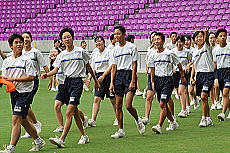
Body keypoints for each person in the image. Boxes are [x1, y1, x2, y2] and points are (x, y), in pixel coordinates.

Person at [42, 27, 100, 147]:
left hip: (77, 83)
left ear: (73, 38)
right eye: (64, 38)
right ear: (62, 40)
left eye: (68, 37)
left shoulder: (80, 51)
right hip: (66, 83)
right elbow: (56, 70)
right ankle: (84, 135)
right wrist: (47, 74)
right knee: (74, 112)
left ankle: (62, 139)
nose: (67, 39)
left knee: (69, 111)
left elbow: (88, 66)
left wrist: (94, 80)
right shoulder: (61, 55)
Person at [0, 34, 45, 152]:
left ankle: (11, 147)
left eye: (20, 42)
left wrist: (13, 80)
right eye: (16, 42)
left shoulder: (27, 60)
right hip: (14, 92)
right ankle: (38, 141)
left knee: (16, 118)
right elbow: (6, 77)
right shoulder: (7, 61)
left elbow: (31, 77)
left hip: (25, 92)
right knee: (23, 120)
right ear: (10, 46)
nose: (19, 44)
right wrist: (2, 81)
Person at [13, 31, 51, 139]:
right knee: (26, 105)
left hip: (32, 80)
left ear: (31, 39)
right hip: (21, 81)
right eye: (23, 37)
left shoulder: (36, 52)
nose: (25, 39)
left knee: (25, 105)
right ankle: (34, 124)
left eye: (27, 37)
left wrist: (50, 78)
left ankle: (33, 125)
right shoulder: (20, 52)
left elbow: (44, 65)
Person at [110, 26, 145, 139]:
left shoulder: (131, 47)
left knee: (128, 105)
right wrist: (111, 83)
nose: (116, 36)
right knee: (118, 105)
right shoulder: (114, 49)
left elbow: (135, 65)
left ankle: (138, 120)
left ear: (124, 34)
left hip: (129, 75)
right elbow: (113, 67)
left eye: (118, 33)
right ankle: (120, 130)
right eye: (115, 34)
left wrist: (133, 80)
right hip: (118, 76)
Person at [148, 32, 184, 134]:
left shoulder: (169, 53)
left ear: (163, 41)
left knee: (162, 103)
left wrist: (182, 77)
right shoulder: (152, 54)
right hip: (157, 80)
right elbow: (152, 69)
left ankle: (159, 125)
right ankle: (173, 122)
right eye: (154, 39)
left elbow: (179, 65)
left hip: (168, 80)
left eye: (158, 39)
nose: (156, 41)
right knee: (163, 104)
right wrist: (153, 82)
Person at [88, 36, 117, 127]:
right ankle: (93, 120)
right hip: (98, 77)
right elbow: (92, 68)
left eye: (100, 41)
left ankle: (117, 117)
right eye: (96, 42)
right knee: (96, 98)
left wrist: (104, 75)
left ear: (104, 42)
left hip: (108, 76)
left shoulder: (109, 51)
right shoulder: (95, 53)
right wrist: (89, 78)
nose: (98, 43)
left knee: (112, 99)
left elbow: (111, 65)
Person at [52, 66, 89, 132]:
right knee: (57, 106)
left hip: (70, 86)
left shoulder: (68, 59)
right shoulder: (58, 61)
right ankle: (61, 126)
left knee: (73, 108)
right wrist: (52, 81)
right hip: (61, 87)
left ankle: (84, 119)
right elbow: (55, 72)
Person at [190, 28, 214, 127]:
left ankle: (203, 118)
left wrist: (206, 34)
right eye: (197, 37)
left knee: (204, 96)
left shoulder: (206, 47)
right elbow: (195, 65)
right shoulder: (194, 52)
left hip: (208, 74)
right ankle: (208, 118)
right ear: (194, 40)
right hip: (199, 75)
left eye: (201, 36)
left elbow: (207, 40)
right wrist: (192, 77)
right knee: (203, 98)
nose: (199, 38)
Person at [172, 36, 192, 118]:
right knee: (179, 92)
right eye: (177, 42)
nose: (178, 44)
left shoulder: (187, 52)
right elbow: (170, 61)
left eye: (180, 42)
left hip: (183, 73)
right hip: (175, 73)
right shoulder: (172, 52)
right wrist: (172, 68)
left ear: (183, 43)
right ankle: (186, 106)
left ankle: (183, 110)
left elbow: (191, 61)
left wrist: (188, 65)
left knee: (181, 91)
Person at [213, 29, 230, 121]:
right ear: (217, 38)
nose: (223, 37)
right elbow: (214, 64)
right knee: (225, 95)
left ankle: (223, 113)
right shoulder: (215, 50)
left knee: (225, 92)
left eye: (224, 36)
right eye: (221, 36)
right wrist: (214, 77)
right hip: (220, 72)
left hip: (228, 71)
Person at [142, 31, 156, 125]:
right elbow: (148, 61)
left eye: (155, 37)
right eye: (152, 38)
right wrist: (147, 69)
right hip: (152, 75)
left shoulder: (165, 50)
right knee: (149, 96)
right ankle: (146, 117)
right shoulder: (150, 50)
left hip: (162, 76)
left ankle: (172, 118)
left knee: (164, 100)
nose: (154, 39)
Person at [184, 35, 200, 110]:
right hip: (183, 72)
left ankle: (195, 98)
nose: (186, 42)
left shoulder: (193, 50)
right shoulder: (181, 50)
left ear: (191, 41)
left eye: (188, 40)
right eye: (185, 40)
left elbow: (194, 62)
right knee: (184, 90)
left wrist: (189, 65)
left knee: (190, 90)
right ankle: (187, 106)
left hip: (192, 70)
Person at [209, 33, 222, 110]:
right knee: (211, 87)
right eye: (211, 38)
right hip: (209, 69)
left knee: (216, 85)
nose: (212, 39)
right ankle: (213, 103)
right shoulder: (207, 48)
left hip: (216, 68)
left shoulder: (218, 48)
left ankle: (217, 101)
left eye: (214, 37)